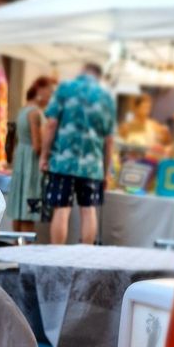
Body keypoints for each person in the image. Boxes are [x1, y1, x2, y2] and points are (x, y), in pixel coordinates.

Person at [39, 63, 116, 245]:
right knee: (88, 210)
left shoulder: (65, 88)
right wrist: (105, 172)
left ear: (81, 72)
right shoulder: (106, 97)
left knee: (61, 209)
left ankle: (57, 257)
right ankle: (85, 257)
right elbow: (109, 139)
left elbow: (51, 124)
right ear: (99, 76)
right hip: (93, 166)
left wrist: (44, 155)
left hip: (62, 162)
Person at [5, 77, 55, 233]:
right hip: (31, 163)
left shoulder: (23, 110)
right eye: (50, 91)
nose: (51, 96)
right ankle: (26, 247)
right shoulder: (35, 113)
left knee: (19, 206)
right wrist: (49, 155)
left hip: (21, 159)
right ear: (40, 90)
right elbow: (37, 144)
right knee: (29, 206)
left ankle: (16, 246)